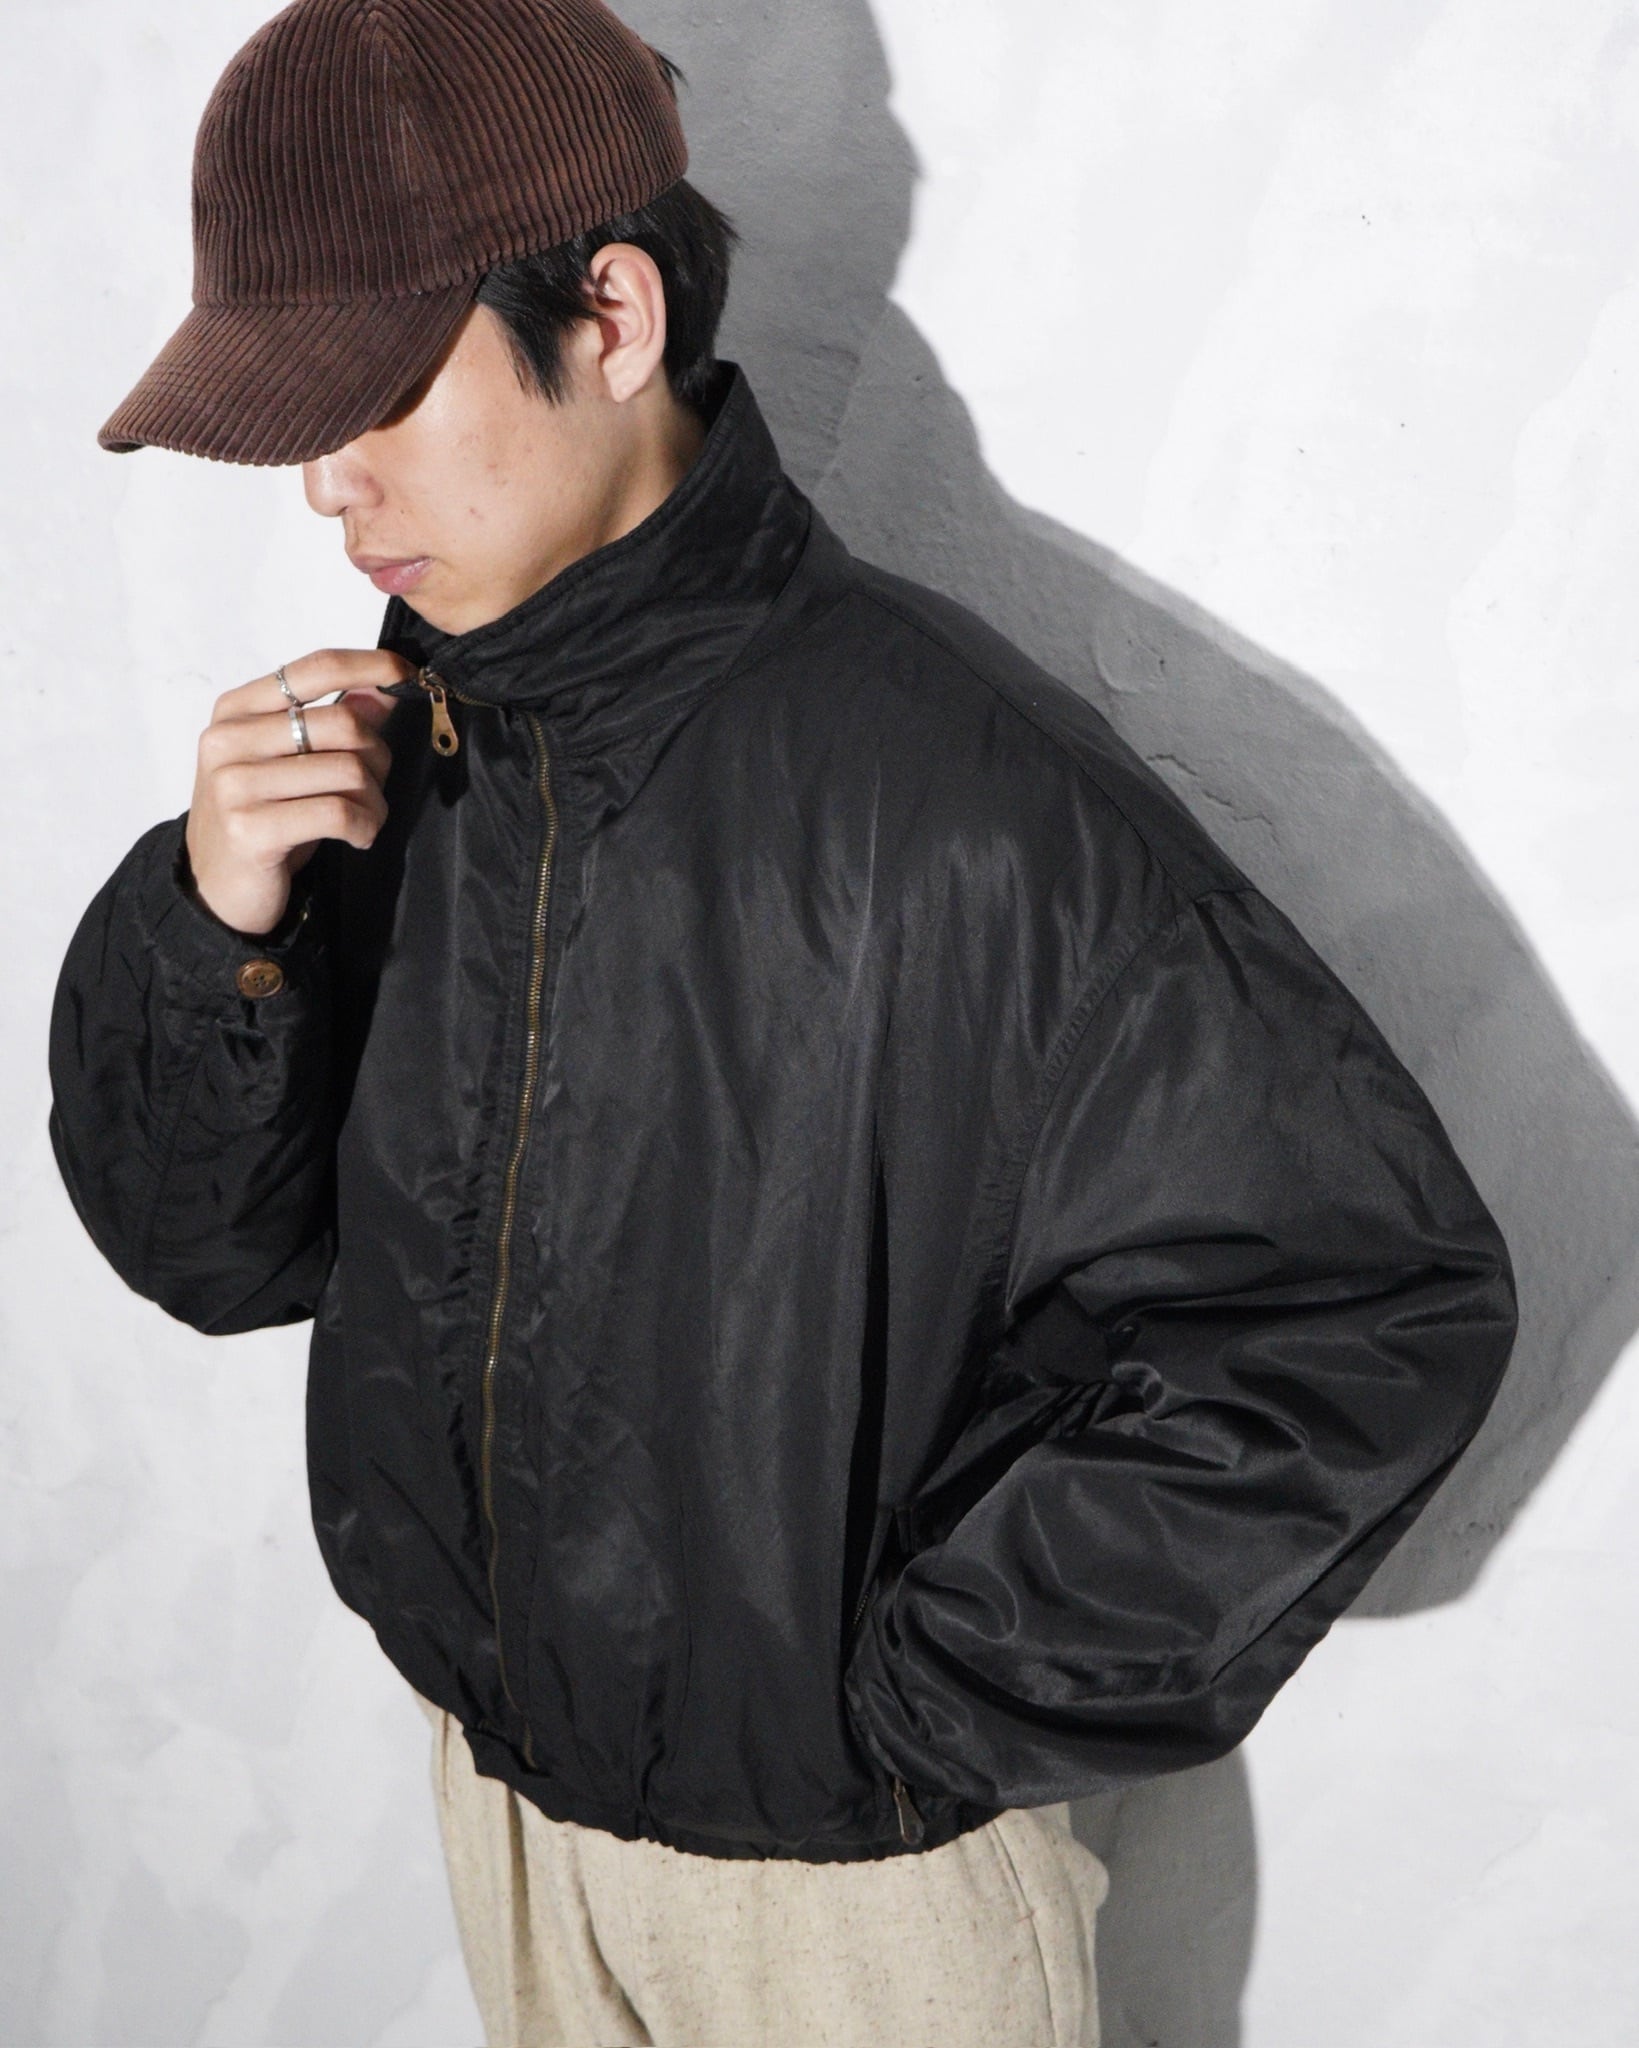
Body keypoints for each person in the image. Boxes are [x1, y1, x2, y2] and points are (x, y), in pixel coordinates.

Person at [46, 2, 1519, 2044]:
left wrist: (910, 1707)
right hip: (505, 1815)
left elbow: (1363, 1307)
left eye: (371, 393)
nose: (325, 485)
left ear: (613, 316)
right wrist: (219, 925)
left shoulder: (973, 811)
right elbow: (212, 1256)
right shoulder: (410, 755)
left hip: (850, 1916)